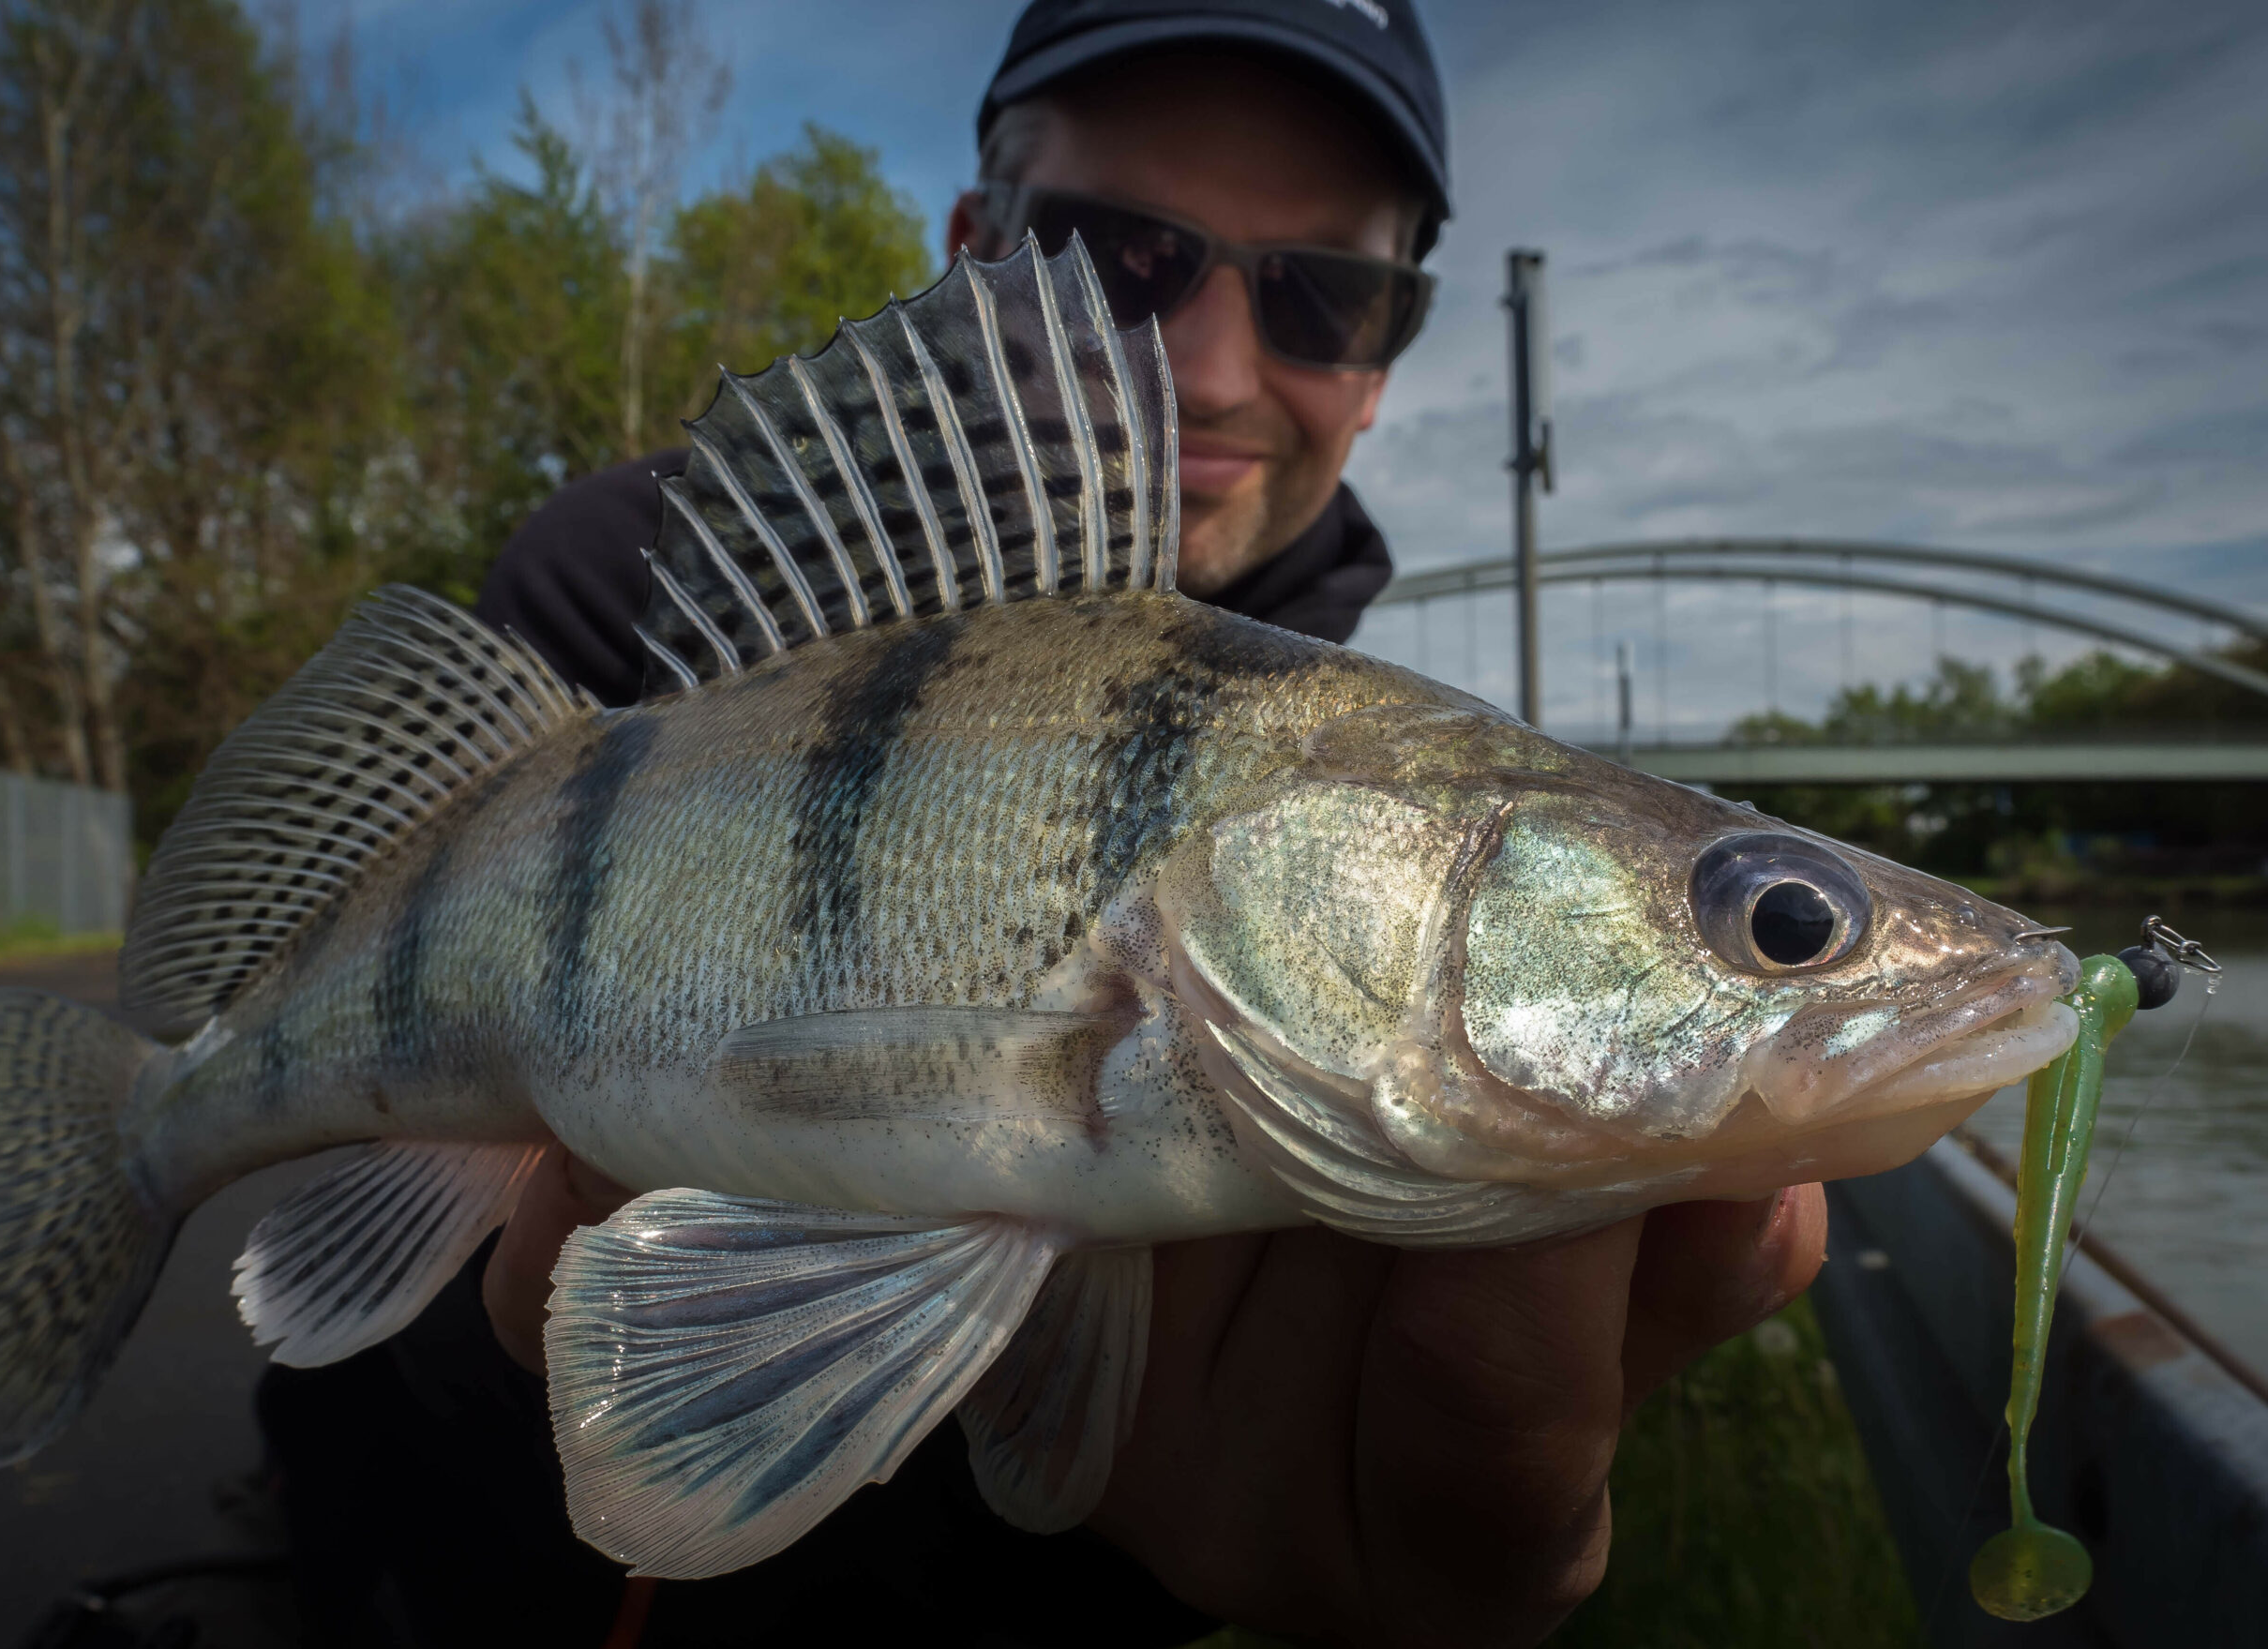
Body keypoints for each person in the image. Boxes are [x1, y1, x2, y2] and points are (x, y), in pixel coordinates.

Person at [261, 5, 1829, 1645]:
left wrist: (1130, 1566)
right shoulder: (637, 584)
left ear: (1383, 366)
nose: (1215, 366)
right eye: (1122, 254)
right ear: (981, 247)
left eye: (1329, 292)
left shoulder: (1372, 750)